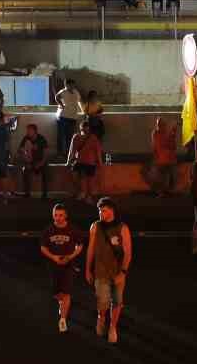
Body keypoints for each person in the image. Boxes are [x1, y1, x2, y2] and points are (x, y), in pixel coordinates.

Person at [86, 198, 131, 345]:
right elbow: (91, 249)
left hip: (117, 272)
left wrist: (123, 272)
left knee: (117, 302)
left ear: (112, 211)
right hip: (100, 272)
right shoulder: (95, 227)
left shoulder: (122, 228)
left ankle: (112, 327)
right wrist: (88, 269)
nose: (100, 213)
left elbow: (128, 252)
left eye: (103, 210)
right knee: (103, 301)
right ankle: (101, 317)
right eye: (99, 211)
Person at [40, 202, 84, 332]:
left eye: (60, 215)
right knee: (57, 294)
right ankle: (61, 303)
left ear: (66, 216)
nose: (58, 218)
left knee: (66, 292)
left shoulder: (73, 229)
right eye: (55, 215)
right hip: (53, 265)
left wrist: (70, 257)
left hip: (68, 265)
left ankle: (63, 319)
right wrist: (53, 257)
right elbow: (43, 247)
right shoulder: (48, 230)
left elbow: (80, 245)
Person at [16, 123, 49, 199]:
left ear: (35, 131)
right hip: (30, 162)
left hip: (41, 161)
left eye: (29, 130)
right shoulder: (26, 138)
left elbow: (46, 153)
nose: (28, 132)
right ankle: (27, 193)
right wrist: (26, 160)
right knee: (25, 170)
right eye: (27, 130)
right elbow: (20, 150)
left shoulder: (41, 139)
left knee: (45, 171)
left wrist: (41, 163)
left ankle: (45, 193)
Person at [147, 117, 178, 196]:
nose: (159, 126)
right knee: (161, 176)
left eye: (161, 124)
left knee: (168, 176)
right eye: (158, 124)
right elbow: (160, 145)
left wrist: (172, 134)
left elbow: (172, 145)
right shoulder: (156, 133)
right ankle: (162, 191)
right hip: (162, 160)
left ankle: (165, 191)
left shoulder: (163, 133)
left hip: (166, 159)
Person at [54, 79, 81, 157]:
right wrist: (61, 105)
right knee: (61, 136)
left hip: (72, 117)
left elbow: (79, 100)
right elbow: (56, 97)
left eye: (73, 85)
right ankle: (60, 153)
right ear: (66, 85)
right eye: (71, 85)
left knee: (70, 136)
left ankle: (68, 153)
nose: (72, 86)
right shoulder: (63, 91)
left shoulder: (76, 92)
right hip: (63, 117)